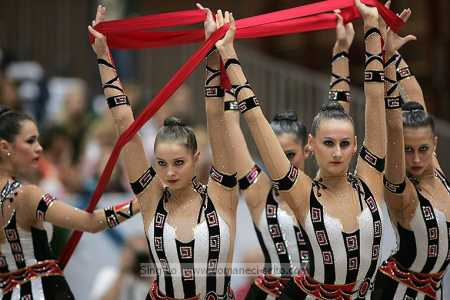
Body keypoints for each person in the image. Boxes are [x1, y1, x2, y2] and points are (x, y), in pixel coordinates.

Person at [215, 0, 390, 298]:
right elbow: (252, 123)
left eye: (344, 145)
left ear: (306, 150)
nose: (336, 152)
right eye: (329, 144)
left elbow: (355, 108)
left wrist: (352, 44)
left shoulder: (365, 181)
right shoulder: (280, 191)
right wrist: (227, 61)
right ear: (314, 146)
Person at [88, 5, 240, 299]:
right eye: (162, 164)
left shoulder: (221, 193)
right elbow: (123, 122)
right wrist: (103, 55)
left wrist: (212, 50)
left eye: (179, 163)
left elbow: (216, 114)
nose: (169, 172)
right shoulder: (150, 197)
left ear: (197, 159)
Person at [0, 105, 140, 299]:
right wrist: (139, 204)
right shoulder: (27, 195)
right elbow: (91, 223)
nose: (39, 148)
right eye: (30, 141)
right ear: (5, 147)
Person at [371, 6, 450, 300]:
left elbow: (415, 97)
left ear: (435, 145)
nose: (416, 159)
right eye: (407, 151)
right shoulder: (402, 190)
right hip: (394, 292)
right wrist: (384, 60)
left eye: (423, 150)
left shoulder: (437, 173)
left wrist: (393, 52)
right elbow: (393, 124)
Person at [90, 235, 151, 300]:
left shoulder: (150, 283)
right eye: (134, 252)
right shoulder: (109, 274)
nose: (138, 260)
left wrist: (150, 274)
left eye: (143, 256)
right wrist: (123, 271)